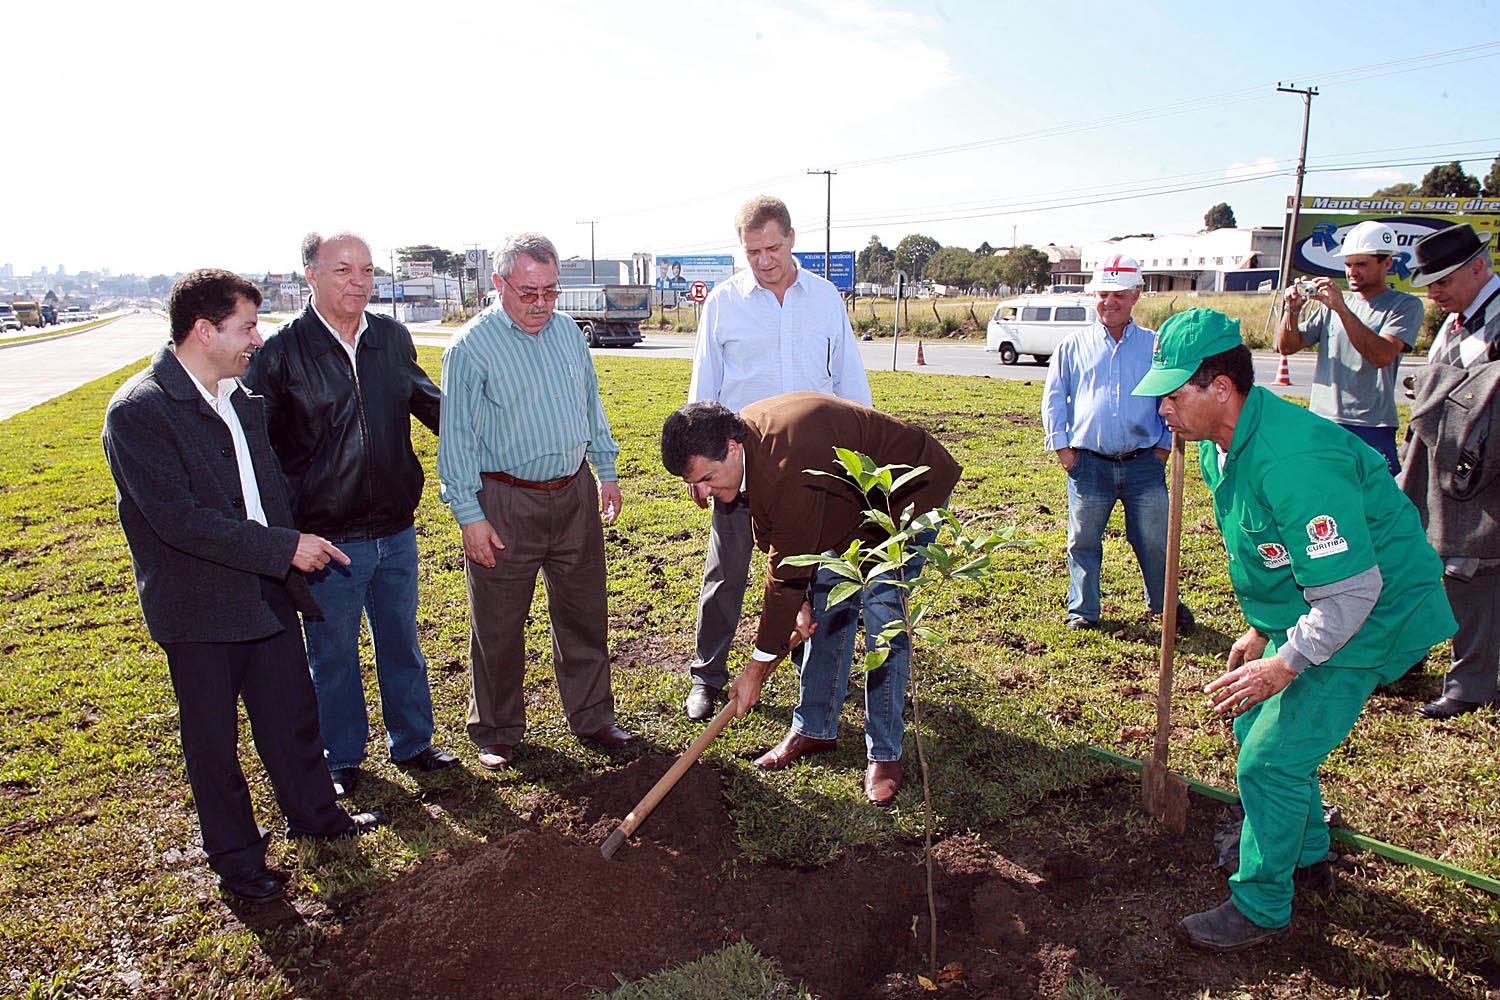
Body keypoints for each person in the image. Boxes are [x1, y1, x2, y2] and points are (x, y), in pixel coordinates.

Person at [1131, 308, 1455, 952]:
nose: (1161, 409)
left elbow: (1352, 590)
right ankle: (1306, 854)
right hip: (1320, 607)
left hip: (1371, 615)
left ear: (1220, 387)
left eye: (1172, 395)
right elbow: (1268, 554)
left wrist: (1285, 662)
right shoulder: (1221, 450)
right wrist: (1260, 631)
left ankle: (1260, 907)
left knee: (1271, 760)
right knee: (1256, 724)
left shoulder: (1294, 459)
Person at [102, 270, 384, 903]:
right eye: (247, 327)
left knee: (292, 716)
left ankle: (316, 815)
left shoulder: (242, 401)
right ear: (205, 331)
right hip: (200, 606)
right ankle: (238, 860)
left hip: (266, 592)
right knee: (214, 744)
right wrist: (286, 548)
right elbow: (180, 522)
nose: (258, 339)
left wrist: (285, 556)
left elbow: (268, 498)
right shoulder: (140, 411)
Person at [660, 393, 961, 805]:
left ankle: (885, 753)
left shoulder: (788, 460)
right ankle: (815, 728)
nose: (704, 492)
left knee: (883, 619)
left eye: (708, 479)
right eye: (694, 484)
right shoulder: (746, 443)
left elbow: (783, 577)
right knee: (825, 605)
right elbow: (771, 526)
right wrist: (800, 605)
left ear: (731, 448)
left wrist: (756, 670)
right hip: (845, 507)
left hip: (906, 498)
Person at [243, 232, 455, 799]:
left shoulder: (390, 336)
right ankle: (341, 756)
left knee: (401, 642)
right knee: (332, 654)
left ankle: (413, 742)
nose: (358, 281)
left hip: (395, 528)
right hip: (326, 541)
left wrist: (488, 434)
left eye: (366, 269)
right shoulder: (279, 354)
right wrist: (284, 533)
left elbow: (429, 403)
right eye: (343, 269)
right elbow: (256, 451)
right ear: (310, 274)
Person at [437, 233, 634, 771]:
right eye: (528, 293)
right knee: (498, 624)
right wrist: (469, 517)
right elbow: (455, 442)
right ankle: (497, 730)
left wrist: (606, 470)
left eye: (550, 291)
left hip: (572, 495)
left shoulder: (568, 333)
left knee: (584, 614)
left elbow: (590, 405)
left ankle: (593, 717)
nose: (541, 305)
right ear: (499, 284)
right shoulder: (470, 348)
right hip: (504, 502)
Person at [682, 194, 871, 721]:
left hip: (817, 470)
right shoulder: (723, 302)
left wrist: (861, 461)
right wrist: (701, 468)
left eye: (772, 247)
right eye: (752, 252)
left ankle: (814, 676)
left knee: (814, 573)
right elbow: (704, 389)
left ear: (791, 238)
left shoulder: (825, 298)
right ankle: (707, 675)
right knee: (728, 573)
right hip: (739, 471)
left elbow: (849, 381)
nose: (764, 260)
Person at [1041, 255, 1193, 633]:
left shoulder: (1156, 346)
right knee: (1083, 541)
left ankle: (1163, 605)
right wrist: (1064, 451)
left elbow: (1169, 400)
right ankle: (1084, 610)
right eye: (1103, 294)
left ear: (1137, 295)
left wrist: (1161, 448)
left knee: (1155, 541)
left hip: (1144, 463)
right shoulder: (1073, 346)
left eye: (1119, 295)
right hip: (1089, 464)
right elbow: (1055, 398)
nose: (1110, 302)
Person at [1399, 222, 1500, 720]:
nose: (1434, 292)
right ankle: (1408, 656)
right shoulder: (1460, 317)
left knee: (1473, 568)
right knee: (1419, 557)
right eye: (1430, 283)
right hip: (1441, 454)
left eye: (1442, 281)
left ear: (1479, 267)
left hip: (1483, 467)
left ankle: (1471, 685)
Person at [1276, 220, 1424, 476]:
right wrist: (1293, 309)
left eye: (1362, 264)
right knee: (1323, 499)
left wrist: (1342, 309)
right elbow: (1287, 347)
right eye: (1348, 265)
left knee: (1375, 504)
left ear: (1387, 263)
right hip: (1324, 420)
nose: (1352, 272)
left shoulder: (1404, 305)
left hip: (1372, 424)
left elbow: (1382, 355)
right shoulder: (1330, 305)